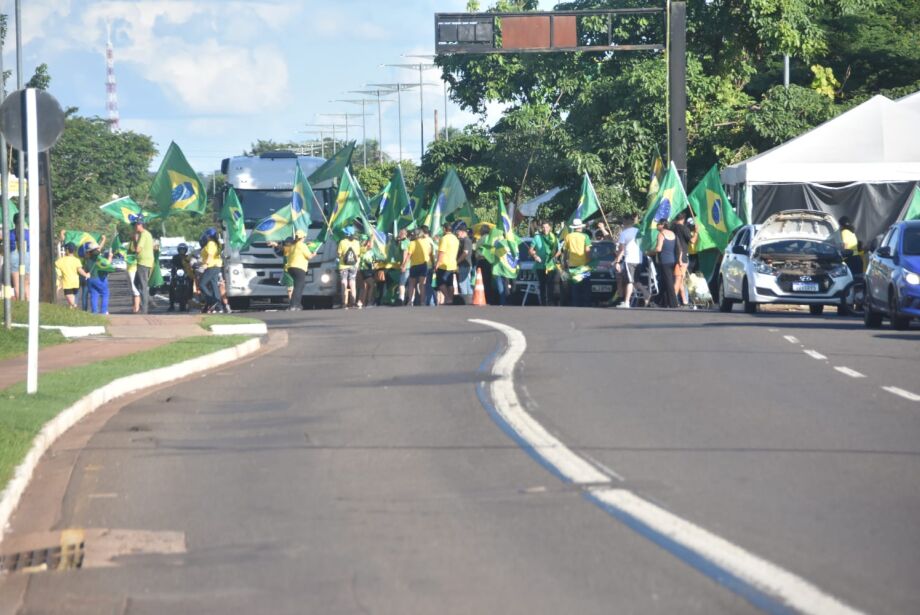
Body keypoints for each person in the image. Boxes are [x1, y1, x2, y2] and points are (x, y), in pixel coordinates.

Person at [562, 218, 592, 307]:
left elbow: (565, 251)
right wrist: (589, 262)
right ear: (581, 227)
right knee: (586, 285)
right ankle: (586, 304)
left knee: (575, 286)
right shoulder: (585, 236)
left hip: (572, 265)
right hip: (584, 265)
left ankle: (576, 304)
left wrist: (564, 262)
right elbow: (587, 251)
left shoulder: (568, 236)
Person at [613, 213, 641, 309]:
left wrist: (617, 261)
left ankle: (627, 302)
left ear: (625, 222)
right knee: (635, 281)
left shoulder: (624, 233)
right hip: (639, 258)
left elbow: (621, 250)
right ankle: (646, 294)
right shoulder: (639, 231)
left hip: (629, 259)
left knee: (630, 281)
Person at [529, 220, 559, 306]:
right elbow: (530, 250)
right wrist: (535, 256)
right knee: (542, 286)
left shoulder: (554, 237)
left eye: (546, 227)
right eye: (543, 227)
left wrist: (554, 256)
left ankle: (550, 303)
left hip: (550, 266)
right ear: (541, 228)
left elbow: (559, 250)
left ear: (550, 228)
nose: (545, 229)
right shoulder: (537, 237)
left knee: (550, 286)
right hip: (540, 266)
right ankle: (543, 305)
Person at [129, 214, 154, 314]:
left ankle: (145, 309)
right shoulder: (142, 235)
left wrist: (135, 240)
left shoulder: (144, 234)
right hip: (142, 262)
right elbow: (137, 248)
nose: (134, 227)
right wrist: (134, 239)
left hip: (144, 263)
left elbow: (137, 250)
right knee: (136, 283)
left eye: (134, 225)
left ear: (139, 225)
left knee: (143, 286)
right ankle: (148, 301)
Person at [286, 229, 315, 310]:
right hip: (299, 268)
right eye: (304, 237)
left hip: (291, 268)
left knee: (297, 286)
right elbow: (309, 256)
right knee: (299, 287)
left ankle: (297, 305)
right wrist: (314, 254)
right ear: (302, 237)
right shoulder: (302, 245)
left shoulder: (292, 245)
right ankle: (293, 305)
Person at [199, 227, 226, 313]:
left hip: (211, 266)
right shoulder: (217, 243)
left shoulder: (210, 243)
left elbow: (210, 255)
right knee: (214, 285)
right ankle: (219, 306)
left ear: (209, 236)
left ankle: (212, 301)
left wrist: (205, 265)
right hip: (216, 266)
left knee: (202, 284)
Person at [403, 228, 432, 306]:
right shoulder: (426, 242)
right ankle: (422, 302)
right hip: (424, 265)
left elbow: (409, 255)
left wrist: (404, 266)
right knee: (422, 284)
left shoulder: (412, 243)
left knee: (411, 284)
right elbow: (430, 252)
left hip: (414, 265)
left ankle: (410, 301)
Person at [671, 211, 695, 306]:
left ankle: (684, 300)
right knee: (678, 279)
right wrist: (696, 232)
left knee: (681, 279)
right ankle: (673, 301)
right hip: (681, 257)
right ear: (683, 219)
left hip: (672, 256)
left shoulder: (671, 228)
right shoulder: (683, 228)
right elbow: (692, 241)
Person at [84, 242, 115, 314]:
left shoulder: (87, 259)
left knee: (94, 295)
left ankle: (94, 312)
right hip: (100, 279)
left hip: (90, 279)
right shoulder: (99, 257)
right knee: (105, 293)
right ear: (96, 249)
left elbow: (85, 269)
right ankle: (104, 311)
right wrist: (110, 257)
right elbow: (107, 265)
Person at [654, 218, 679, 308]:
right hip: (672, 260)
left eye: (658, 224)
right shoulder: (673, 234)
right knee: (664, 281)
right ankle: (663, 302)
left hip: (664, 261)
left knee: (669, 282)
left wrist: (650, 251)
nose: (657, 226)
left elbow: (659, 249)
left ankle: (674, 303)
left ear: (662, 225)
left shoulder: (661, 234)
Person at [54, 242, 86, 309]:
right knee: (72, 297)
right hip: (76, 283)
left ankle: (74, 305)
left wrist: (59, 279)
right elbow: (80, 270)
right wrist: (86, 274)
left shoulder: (61, 260)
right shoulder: (77, 260)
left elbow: (55, 267)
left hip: (67, 282)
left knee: (69, 296)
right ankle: (72, 309)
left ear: (67, 250)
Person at [435, 222, 459, 305]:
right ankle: (450, 299)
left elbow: (441, 252)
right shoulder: (455, 238)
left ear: (445, 229)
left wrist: (437, 264)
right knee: (450, 283)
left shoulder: (444, 239)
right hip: (452, 264)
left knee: (441, 283)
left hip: (443, 264)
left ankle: (447, 298)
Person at [337, 226, 361, 309]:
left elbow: (339, 254)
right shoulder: (357, 242)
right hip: (353, 266)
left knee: (344, 283)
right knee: (352, 283)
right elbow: (357, 255)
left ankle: (344, 303)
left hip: (343, 265)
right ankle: (353, 302)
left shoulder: (342, 242)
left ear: (346, 234)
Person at [168, 243, 194, 312]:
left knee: (191, 285)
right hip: (177, 274)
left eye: (183, 249)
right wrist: (172, 267)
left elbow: (191, 264)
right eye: (181, 249)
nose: (182, 251)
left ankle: (190, 303)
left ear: (186, 250)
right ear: (178, 250)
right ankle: (171, 305)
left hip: (186, 274)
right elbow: (172, 264)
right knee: (171, 286)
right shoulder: (175, 257)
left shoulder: (188, 257)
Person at [8, 213, 29, 301]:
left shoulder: (9, 233)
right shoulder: (28, 233)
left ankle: (20, 302)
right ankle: (28, 301)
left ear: (14, 222)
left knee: (16, 284)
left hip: (13, 255)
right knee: (26, 284)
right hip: (26, 256)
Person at [455, 222, 474, 299]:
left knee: (462, 283)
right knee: (467, 284)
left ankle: (464, 300)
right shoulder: (465, 240)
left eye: (458, 232)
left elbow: (465, 253)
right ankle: (471, 299)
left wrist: (457, 261)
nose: (457, 234)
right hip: (466, 264)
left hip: (464, 265)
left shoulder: (466, 241)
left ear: (463, 232)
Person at [357, 235, 376, 309]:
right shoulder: (361, 248)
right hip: (365, 269)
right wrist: (372, 237)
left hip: (367, 269)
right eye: (366, 241)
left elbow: (371, 246)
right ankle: (368, 302)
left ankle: (362, 302)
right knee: (372, 285)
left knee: (365, 286)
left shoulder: (367, 249)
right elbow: (370, 246)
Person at [394, 228, 410, 304]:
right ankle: (410, 300)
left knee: (402, 283)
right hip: (410, 265)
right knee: (408, 284)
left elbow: (405, 253)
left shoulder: (404, 242)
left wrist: (403, 265)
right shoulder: (408, 241)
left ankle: (401, 299)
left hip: (406, 266)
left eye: (401, 233)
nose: (399, 234)